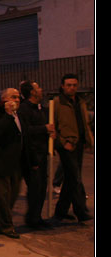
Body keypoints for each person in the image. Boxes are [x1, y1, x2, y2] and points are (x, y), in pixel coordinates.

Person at [0, 88, 33, 238]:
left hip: (16, 162)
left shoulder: (20, 115)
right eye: (13, 97)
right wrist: (7, 115)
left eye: (18, 97)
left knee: (13, 193)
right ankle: (6, 226)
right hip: (0, 161)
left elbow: (23, 137)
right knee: (2, 195)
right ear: (4, 99)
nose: (17, 100)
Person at [52, 74, 93, 224]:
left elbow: (84, 123)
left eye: (74, 85)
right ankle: (80, 211)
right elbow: (54, 127)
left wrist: (88, 141)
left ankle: (60, 212)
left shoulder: (80, 102)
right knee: (75, 177)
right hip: (67, 145)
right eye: (68, 85)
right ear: (63, 86)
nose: (72, 88)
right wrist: (63, 143)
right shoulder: (57, 103)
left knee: (71, 179)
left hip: (79, 144)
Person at [18, 81, 55, 228]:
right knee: (35, 186)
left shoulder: (40, 109)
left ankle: (36, 216)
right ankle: (32, 218)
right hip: (32, 154)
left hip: (42, 151)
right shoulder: (24, 109)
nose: (41, 89)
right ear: (32, 92)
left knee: (41, 186)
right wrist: (44, 128)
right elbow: (25, 131)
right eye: (38, 87)